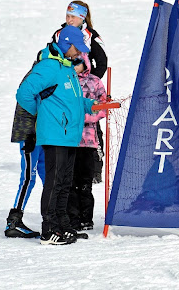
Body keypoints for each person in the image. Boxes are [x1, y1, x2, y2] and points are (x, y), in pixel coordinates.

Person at [16, 25, 95, 245]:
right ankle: (48, 229)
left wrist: (92, 105)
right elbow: (24, 93)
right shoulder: (50, 66)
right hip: (55, 133)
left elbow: (71, 99)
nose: (79, 52)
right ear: (66, 44)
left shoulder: (67, 67)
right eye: (76, 47)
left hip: (69, 134)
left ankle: (63, 225)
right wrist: (40, 113)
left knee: (64, 182)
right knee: (54, 182)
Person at [53, 1, 108, 184]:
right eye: (67, 16)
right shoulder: (59, 34)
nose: (69, 20)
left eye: (73, 17)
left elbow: (102, 61)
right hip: (66, 86)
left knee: (91, 125)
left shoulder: (91, 35)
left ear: (82, 18)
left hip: (87, 88)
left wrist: (91, 81)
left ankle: (95, 166)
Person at [5, 57, 46, 239]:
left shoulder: (46, 77)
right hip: (32, 136)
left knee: (48, 175)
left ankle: (52, 217)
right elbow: (25, 106)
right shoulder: (35, 78)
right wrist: (29, 135)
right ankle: (14, 221)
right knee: (29, 177)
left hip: (44, 135)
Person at [67, 53, 107, 231]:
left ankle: (86, 218)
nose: (75, 66)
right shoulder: (66, 81)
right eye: (72, 62)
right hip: (69, 140)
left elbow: (103, 105)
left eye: (78, 62)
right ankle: (73, 218)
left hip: (88, 140)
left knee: (85, 182)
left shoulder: (95, 81)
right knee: (71, 181)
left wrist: (87, 116)